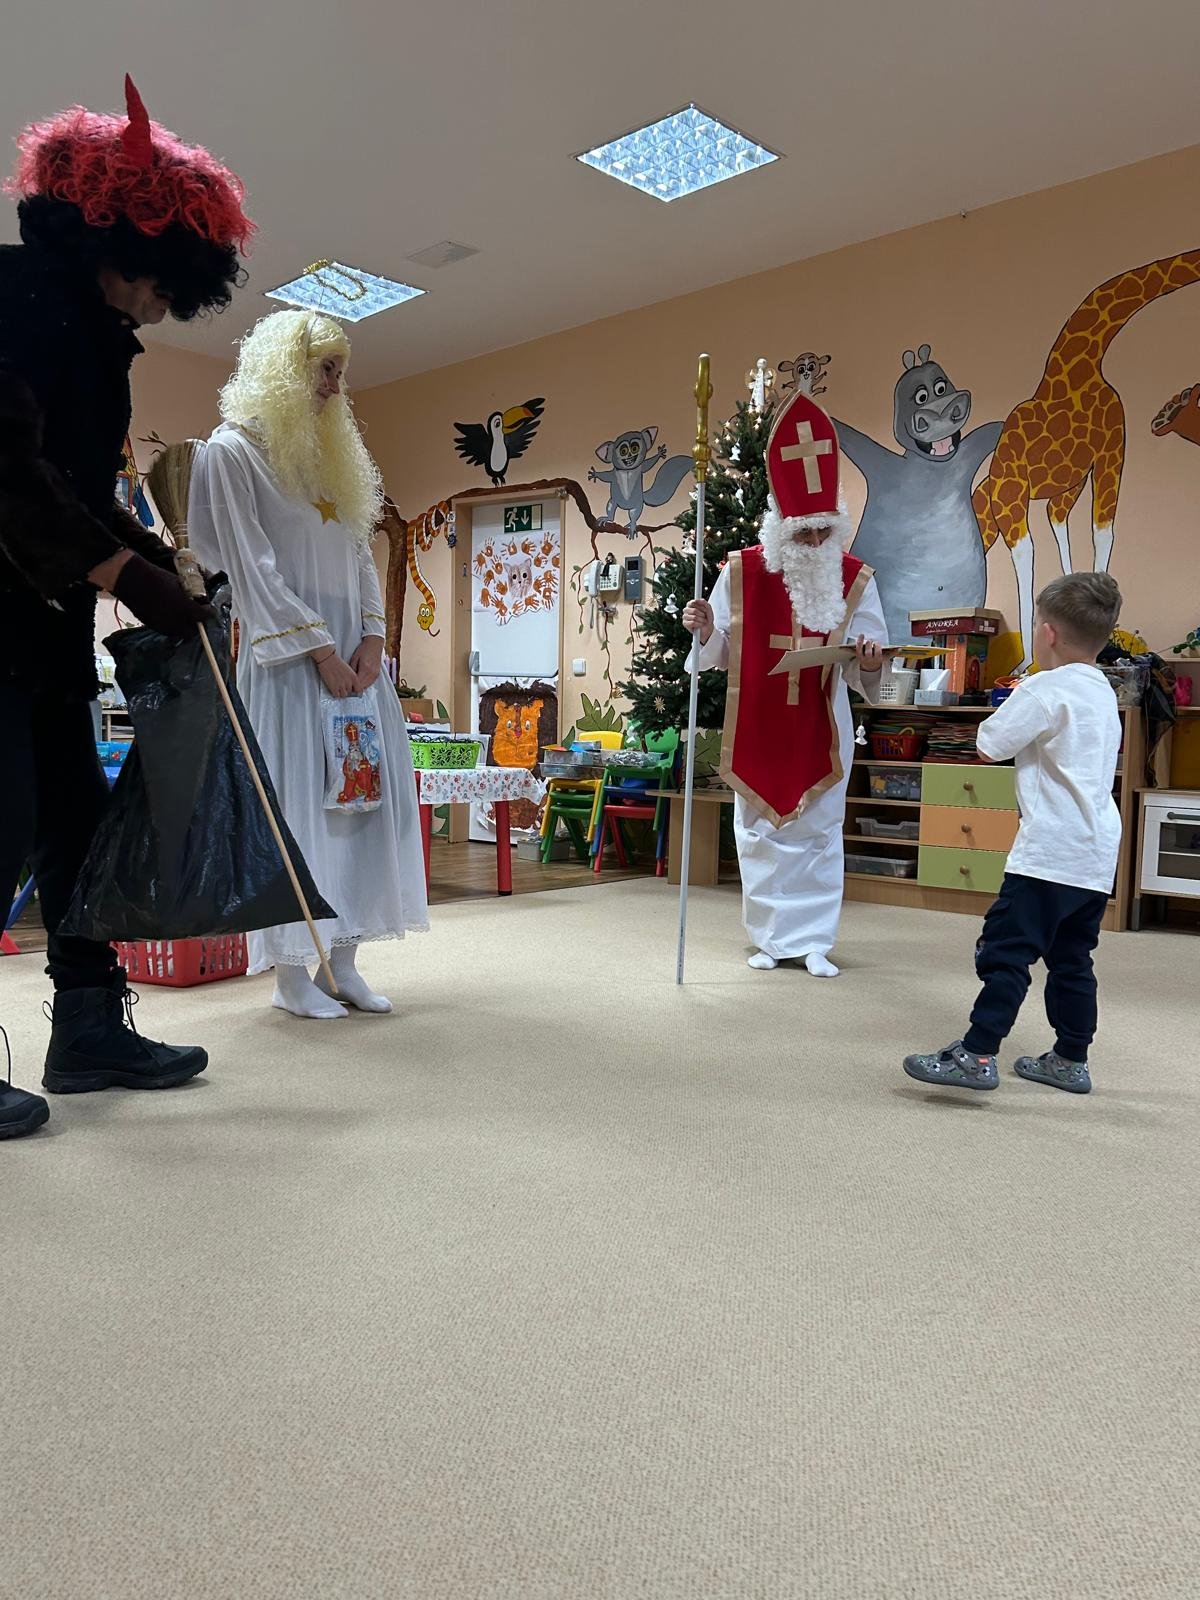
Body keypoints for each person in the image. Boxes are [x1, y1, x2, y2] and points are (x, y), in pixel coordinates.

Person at [0, 78, 252, 1140]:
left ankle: (90, 1031)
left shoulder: (102, 338)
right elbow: (8, 475)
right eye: (167, 285)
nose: (167, 307)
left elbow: (84, 493)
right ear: (129, 243)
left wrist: (162, 569)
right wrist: (122, 572)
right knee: (2, 821)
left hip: (45, 629)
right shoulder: (12, 297)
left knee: (78, 826)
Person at [188, 310, 428, 1019]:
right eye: (324, 369)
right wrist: (320, 650)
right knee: (294, 814)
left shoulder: (331, 458)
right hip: (289, 665)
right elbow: (249, 568)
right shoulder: (231, 452)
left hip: (356, 670)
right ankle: (291, 974)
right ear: (281, 369)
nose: (333, 385)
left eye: (339, 372)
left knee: (358, 810)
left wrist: (374, 641)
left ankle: (342, 962)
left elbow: (360, 553)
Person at [682, 392, 887, 975]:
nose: (815, 544)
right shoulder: (742, 572)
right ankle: (771, 939)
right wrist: (704, 630)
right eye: (803, 534)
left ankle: (814, 939)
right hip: (759, 720)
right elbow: (721, 651)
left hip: (822, 721)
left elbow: (868, 662)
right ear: (781, 528)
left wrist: (870, 661)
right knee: (758, 832)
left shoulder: (855, 578)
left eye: (823, 532)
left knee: (819, 832)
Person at [903, 572, 1124, 1094]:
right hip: (1094, 854)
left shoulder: (1045, 687)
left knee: (1005, 950)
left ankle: (977, 1053)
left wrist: (1016, 696)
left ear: (1047, 632)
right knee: (1072, 959)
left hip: (1047, 852)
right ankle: (1070, 1059)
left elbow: (989, 745)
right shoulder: (1103, 690)